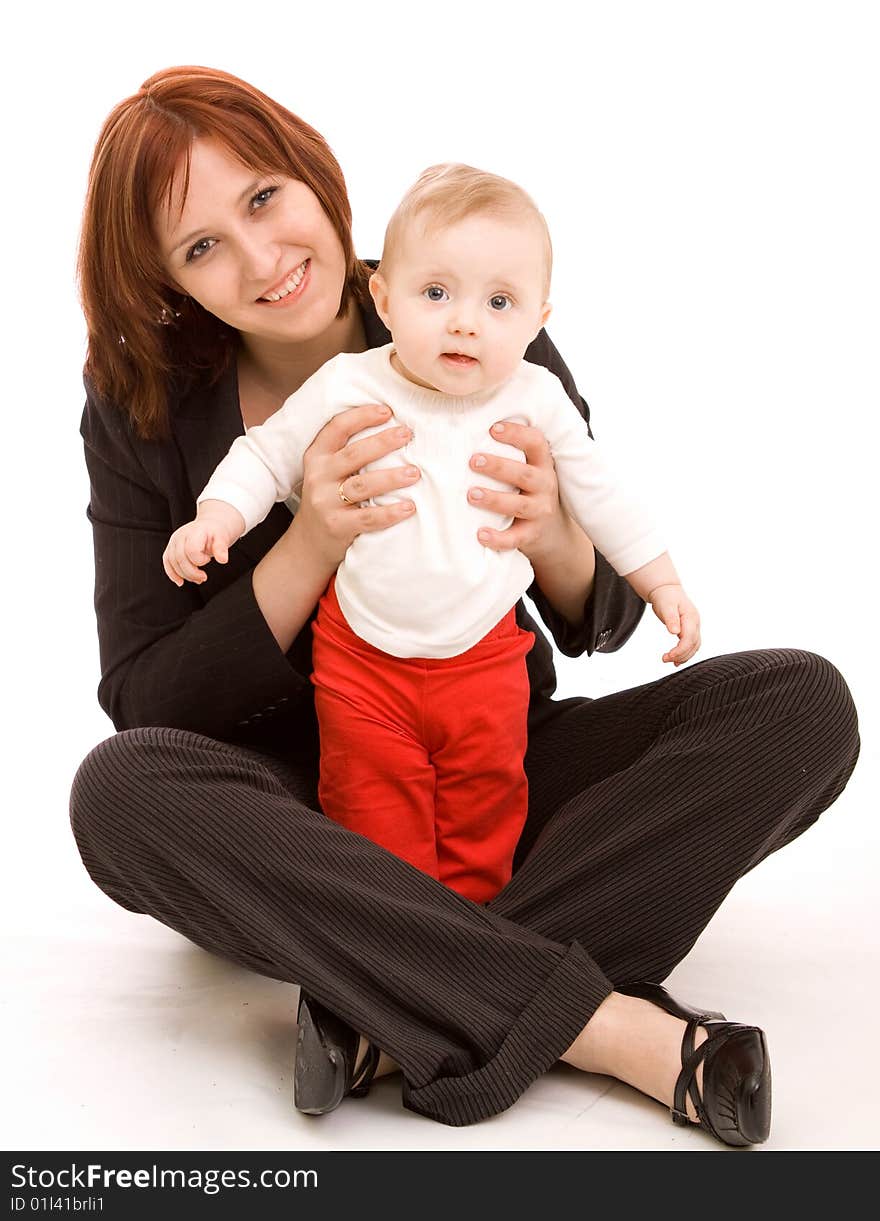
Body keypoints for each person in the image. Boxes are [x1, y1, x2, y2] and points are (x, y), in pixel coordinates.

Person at [69, 65, 860, 1146]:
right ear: (167, 279)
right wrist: (312, 541)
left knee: (799, 705)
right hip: (303, 818)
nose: (261, 259)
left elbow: (600, 618)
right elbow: (146, 698)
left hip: (495, 749)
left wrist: (552, 539)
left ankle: (382, 1006)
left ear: (311, 174)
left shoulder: (469, 301)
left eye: (262, 199)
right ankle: (611, 1030)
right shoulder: (142, 404)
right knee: (120, 797)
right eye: (201, 245)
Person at [162, 161, 699, 905]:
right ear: (384, 296)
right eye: (436, 293)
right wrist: (216, 517)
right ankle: (406, 944)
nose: (465, 321)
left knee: (487, 813)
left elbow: (605, 496)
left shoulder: (535, 394)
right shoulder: (352, 383)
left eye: (500, 301)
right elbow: (265, 454)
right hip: (361, 667)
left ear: (539, 320)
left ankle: (469, 944)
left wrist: (661, 580)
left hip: (484, 666)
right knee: (375, 822)